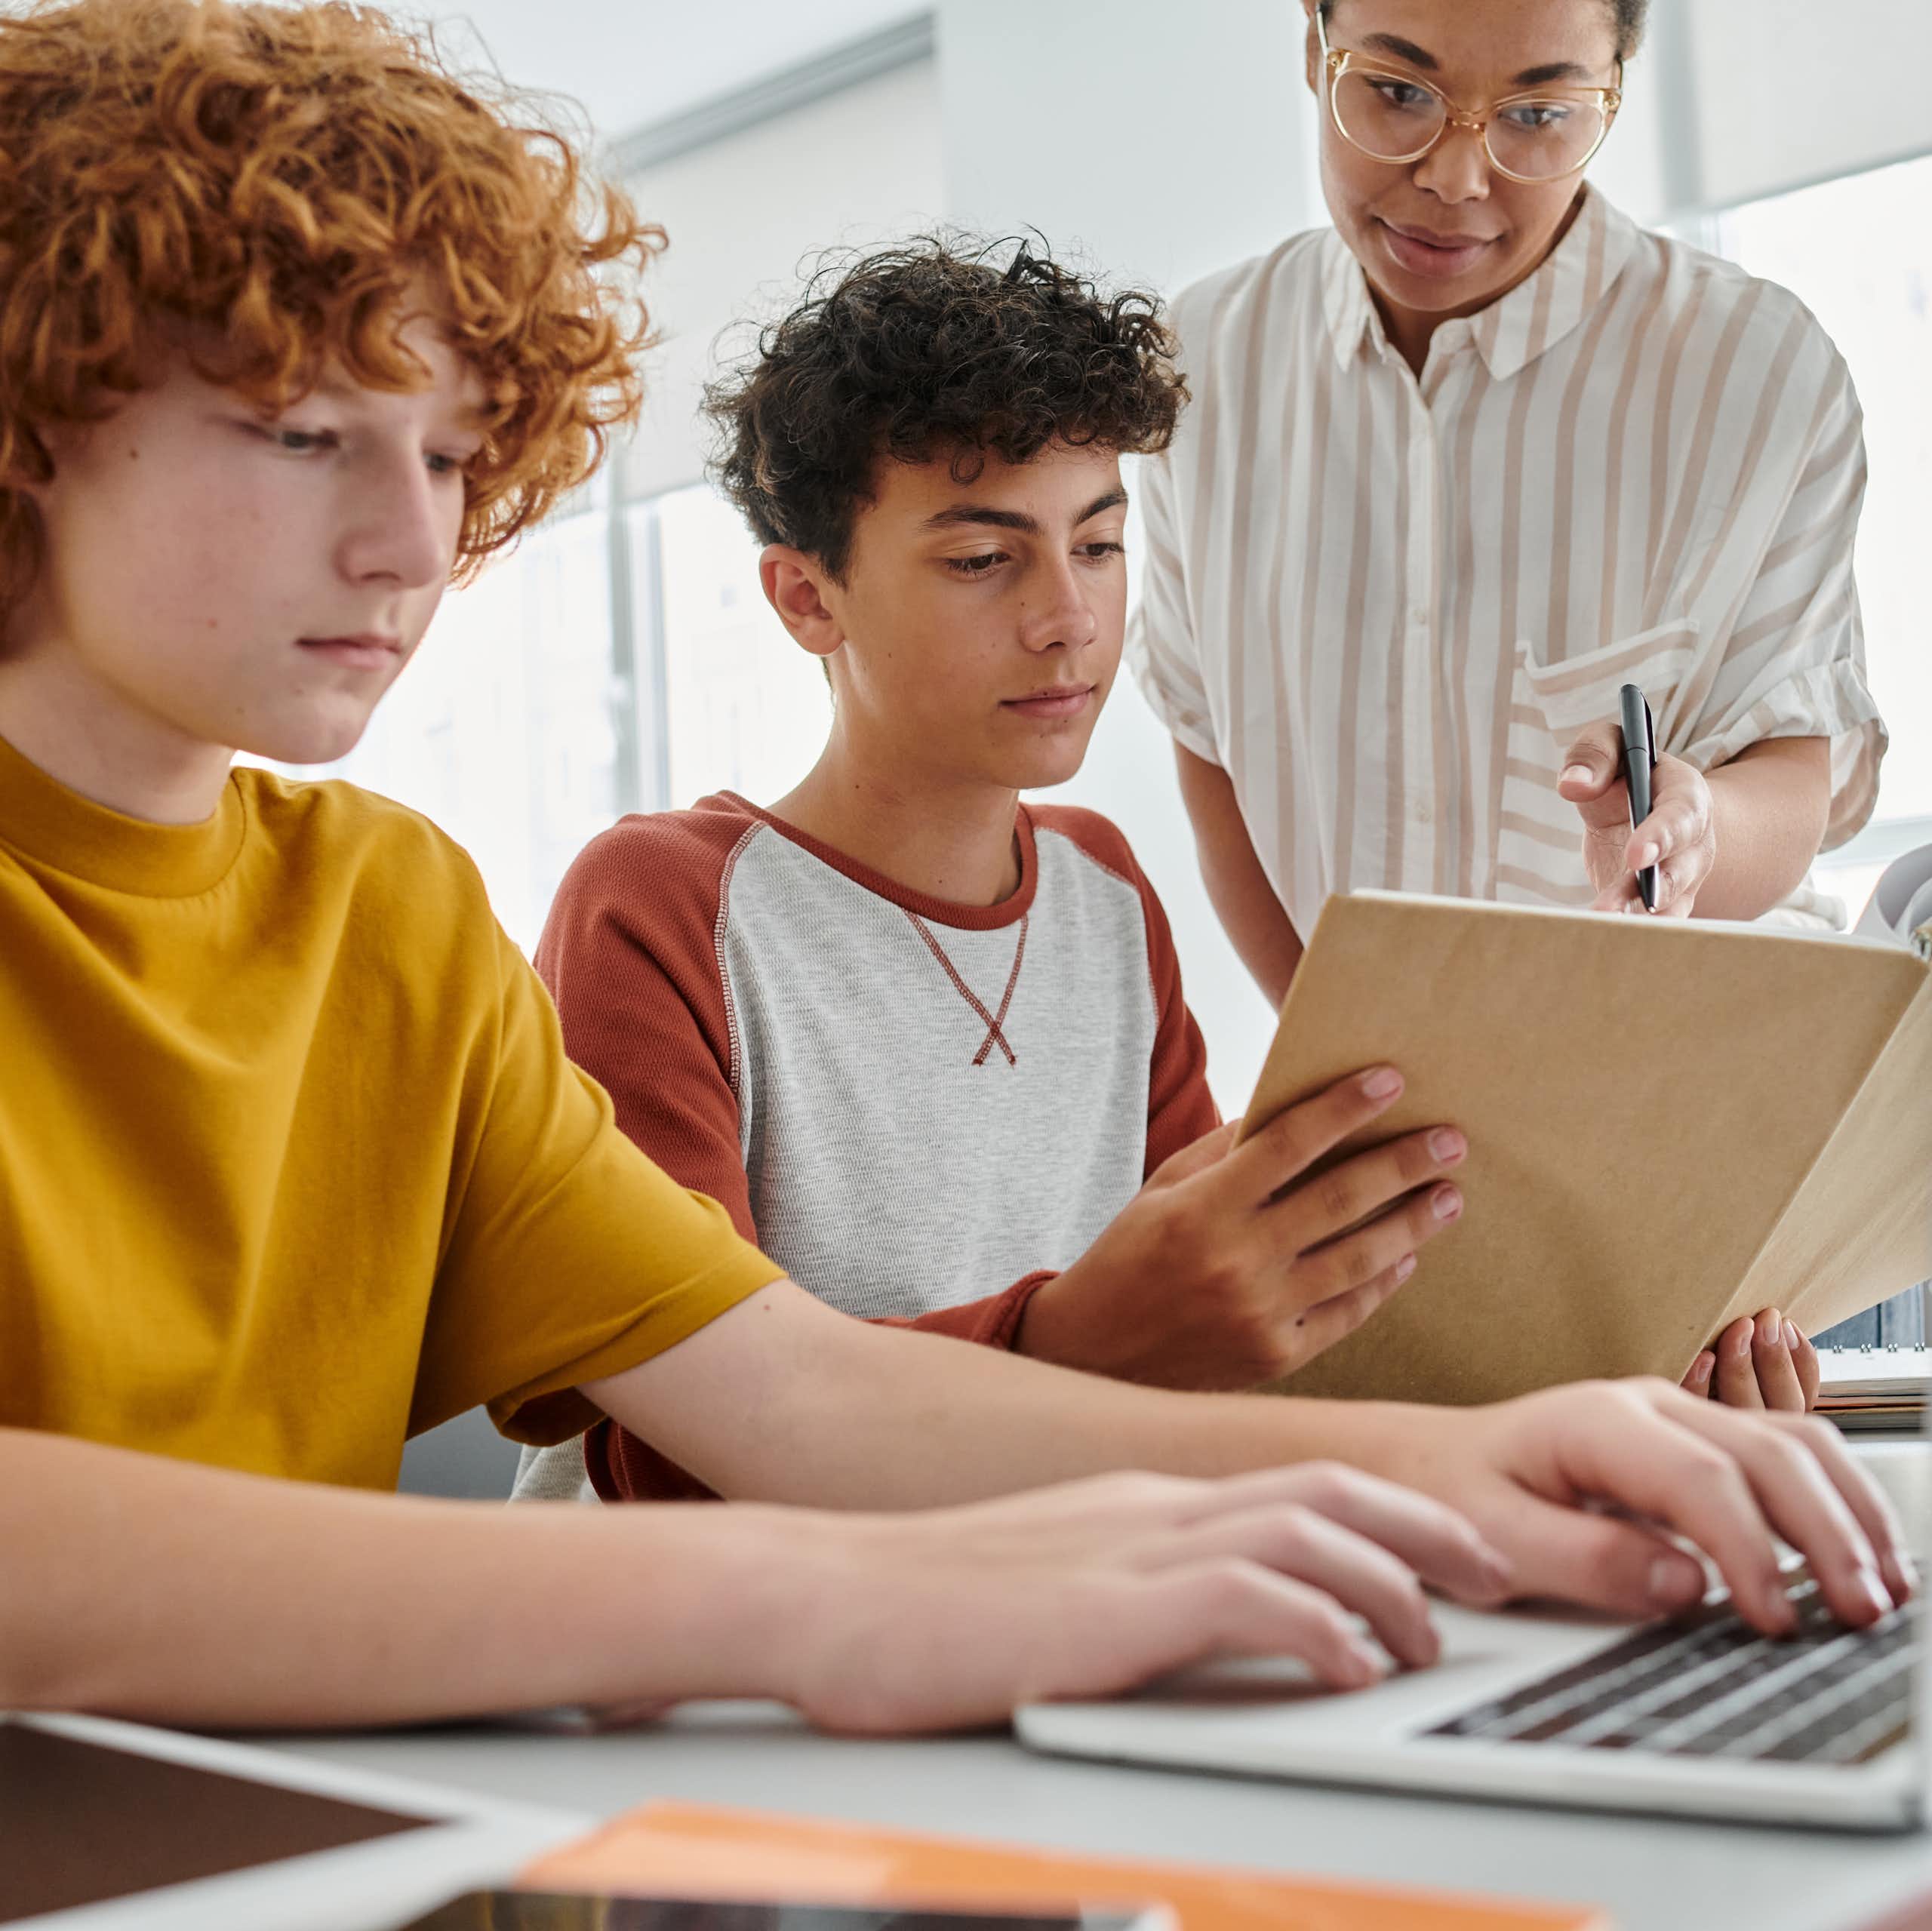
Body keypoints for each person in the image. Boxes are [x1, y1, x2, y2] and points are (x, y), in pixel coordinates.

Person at [0, 0, 1909, 1736]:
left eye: (449, 451)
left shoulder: (380, 906)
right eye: (305, 434)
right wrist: (808, 1596)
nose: (411, 540)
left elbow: (796, 1393)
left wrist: (1486, 1469)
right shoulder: (649, 899)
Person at [513, 238, 1472, 1507]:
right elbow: (666, 1451)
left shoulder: (1103, 892)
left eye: (1099, 546)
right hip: (697, 1651)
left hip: (1036, 1589)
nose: (1067, 617)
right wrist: (1079, 1338)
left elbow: (1223, 1339)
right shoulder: (660, 905)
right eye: (983, 559)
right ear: (808, 600)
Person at [1131, 0, 1888, 1404]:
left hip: (1697, 1187)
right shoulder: (1199, 374)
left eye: (1538, 113)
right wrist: (1349, 1081)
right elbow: (1210, 754)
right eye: (1397, 93)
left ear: (1616, 86)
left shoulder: (1757, 373)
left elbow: (1804, 755)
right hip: (1373, 1192)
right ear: (1313, 42)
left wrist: (1701, 822)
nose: (1458, 179)